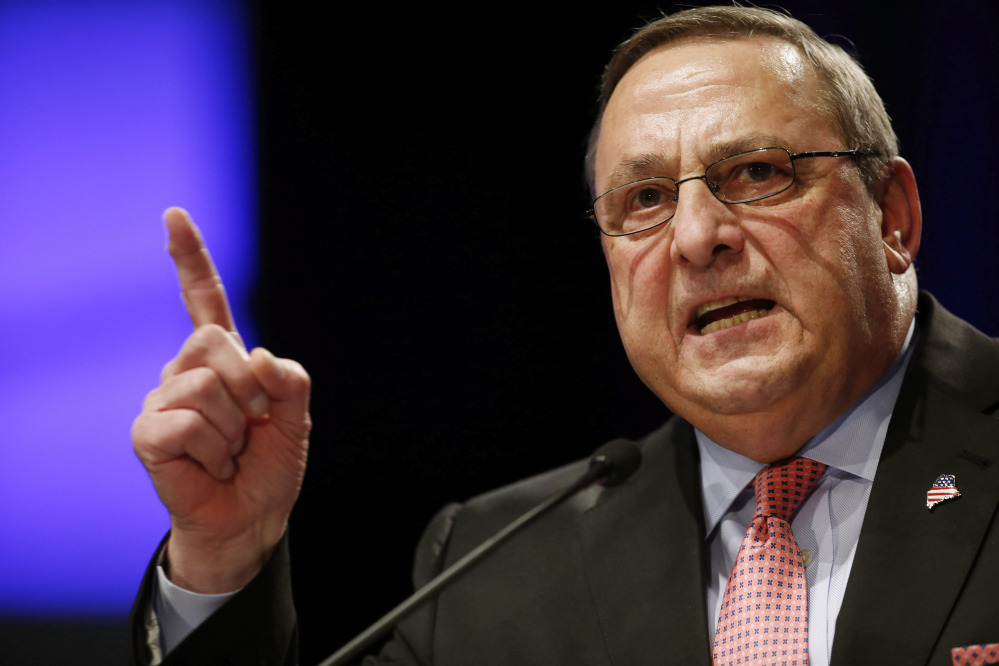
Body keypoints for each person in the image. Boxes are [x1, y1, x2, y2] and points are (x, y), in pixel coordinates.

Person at [129, 5, 999, 665]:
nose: (697, 237)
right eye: (644, 201)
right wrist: (222, 558)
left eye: (756, 173)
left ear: (891, 217)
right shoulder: (485, 568)